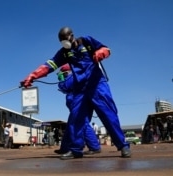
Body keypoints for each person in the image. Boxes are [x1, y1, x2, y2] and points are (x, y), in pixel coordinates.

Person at [20, 26, 131, 159]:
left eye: (64, 39)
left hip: (97, 85)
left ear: (71, 36)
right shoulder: (64, 52)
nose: (63, 43)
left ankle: (123, 145)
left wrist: (101, 52)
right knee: (76, 119)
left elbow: (107, 49)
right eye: (61, 41)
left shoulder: (86, 41)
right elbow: (49, 65)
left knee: (108, 115)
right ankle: (75, 150)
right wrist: (32, 76)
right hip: (80, 89)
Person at [54, 64, 101, 155]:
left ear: (67, 72)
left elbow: (64, 87)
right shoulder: (78, 75)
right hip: (79, 100)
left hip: (77, 101)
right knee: (71, 125)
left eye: (64, 74)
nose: (63, 76)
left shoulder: (72, 76)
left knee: (83, 123)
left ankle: (94, 147)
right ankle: (65, 148)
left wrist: (62, 79)